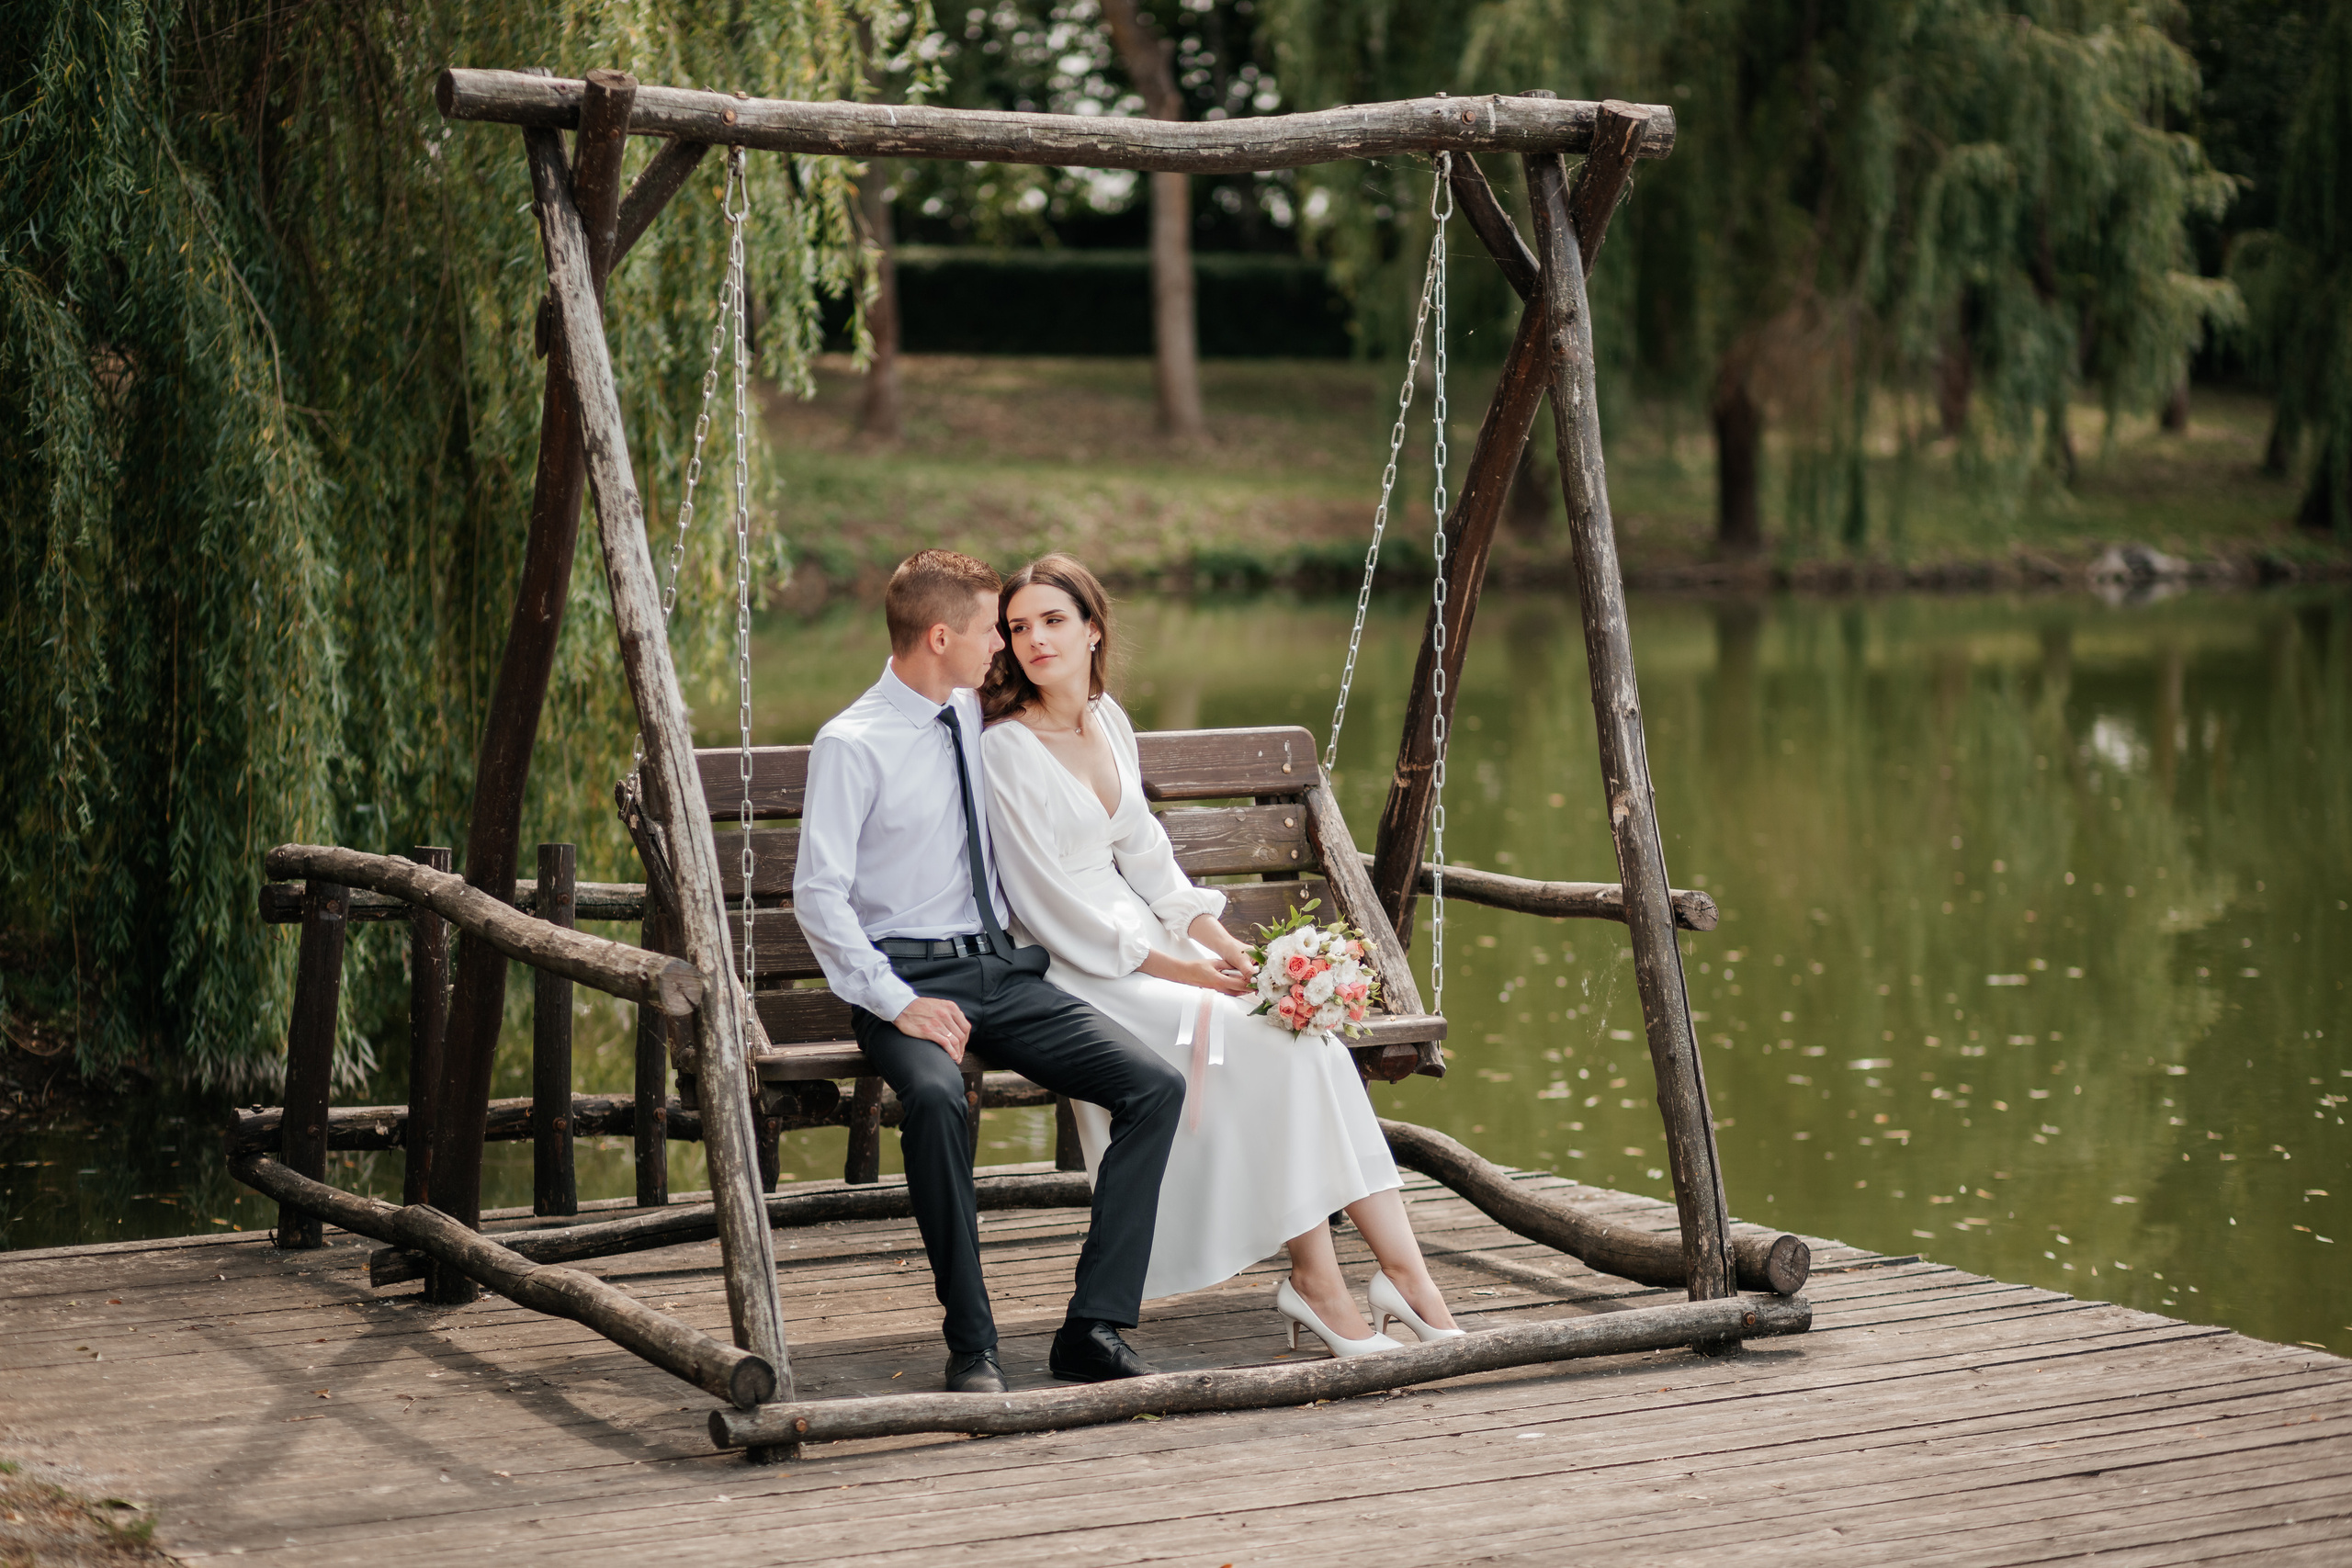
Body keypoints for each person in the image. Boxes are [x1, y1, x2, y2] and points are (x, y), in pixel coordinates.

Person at [977, 553, 1462, 1358]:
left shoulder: (1108, 721)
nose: (1035, 639)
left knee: (1306, 1040)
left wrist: (1240, 954)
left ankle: (1405, 1278)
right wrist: (1187, 973)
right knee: (1265, 1043)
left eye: (1053, 620)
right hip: (1082, 970)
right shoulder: (1007, 750)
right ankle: (1321, 1287)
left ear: (1094, 628)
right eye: (1019, 627)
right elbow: (1047, 908)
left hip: (1152, 945)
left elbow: (1152, 861)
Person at [793, 549, 1186, 1394]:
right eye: (987, 633)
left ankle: (1093, 1325)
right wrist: (898, 1003)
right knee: (936, 1096)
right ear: (940, 636)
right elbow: (819, 899)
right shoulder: (852, 744)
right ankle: (972, 1342)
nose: (1002, 649)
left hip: (1003, 973)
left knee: (1153, 1086)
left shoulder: (976, 716)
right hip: (905, 982)